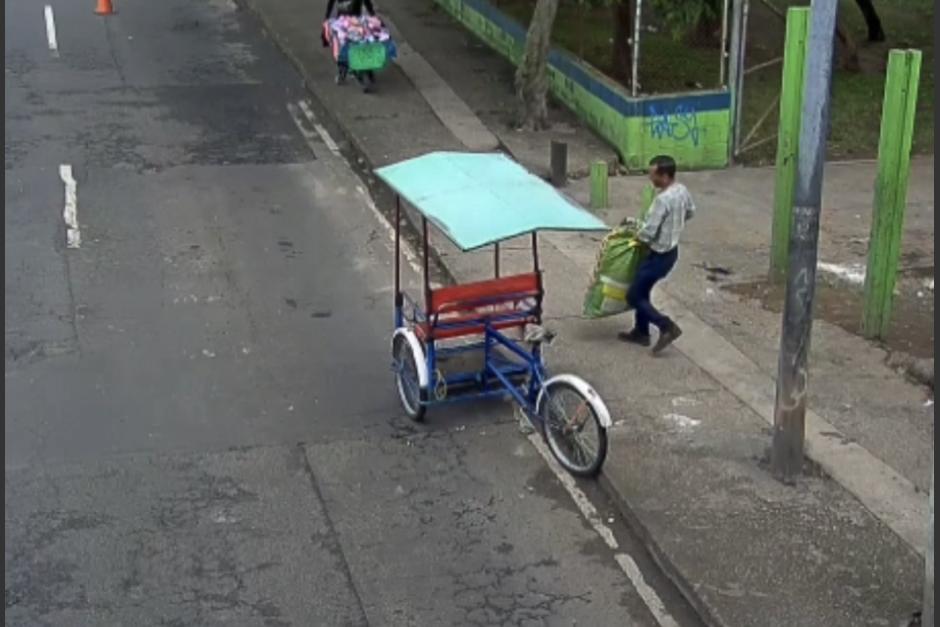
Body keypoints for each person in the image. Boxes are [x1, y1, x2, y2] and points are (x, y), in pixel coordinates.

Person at [618, 155, 695, 354]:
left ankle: (666, 326)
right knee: (643, 290)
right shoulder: (682, 191)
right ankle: (641, 332)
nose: (650, 179)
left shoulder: (662, 200)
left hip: (658, 255)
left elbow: (649, 232)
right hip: (671, 253)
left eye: (653, 175)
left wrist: (632, 237)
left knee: (634, 295)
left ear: (665, 176)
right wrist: (674, 226)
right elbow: (690, 212)